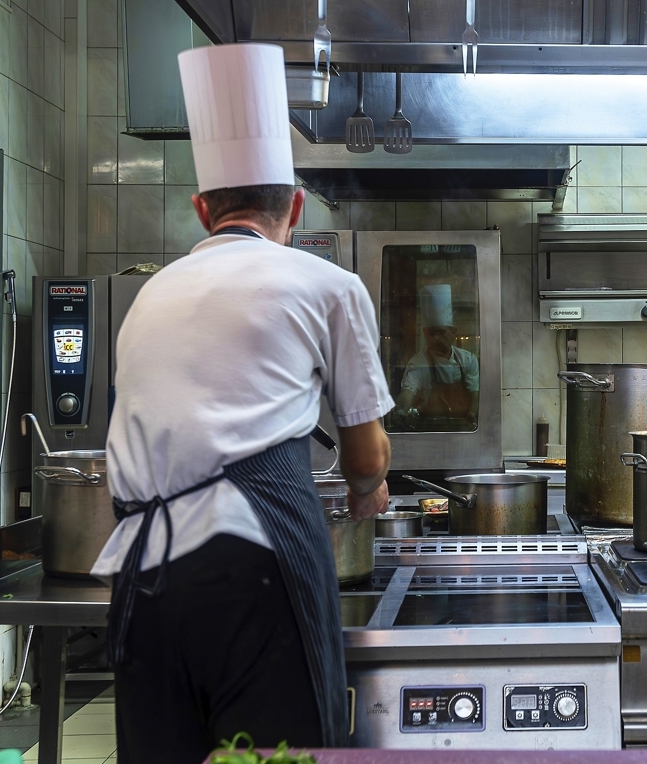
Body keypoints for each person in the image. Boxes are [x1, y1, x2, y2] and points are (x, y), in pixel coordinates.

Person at [91, 43, 395, 762]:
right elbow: (365, 454)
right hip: (252, 575)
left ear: (203, 210)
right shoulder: (329, 285)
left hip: (141, 583)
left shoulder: (147, 296)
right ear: (295, 206)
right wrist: (367, 491)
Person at [393, 284, 480, 429]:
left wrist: (472, 414)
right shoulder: (418, 363)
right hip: (430, 427)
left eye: (441, 332)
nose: (435, 338)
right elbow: (407, 392)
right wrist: (400, 410)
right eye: (430, 333)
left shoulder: (467, 360)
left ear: (453, 332)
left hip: (464, 428)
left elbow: (474, 393)